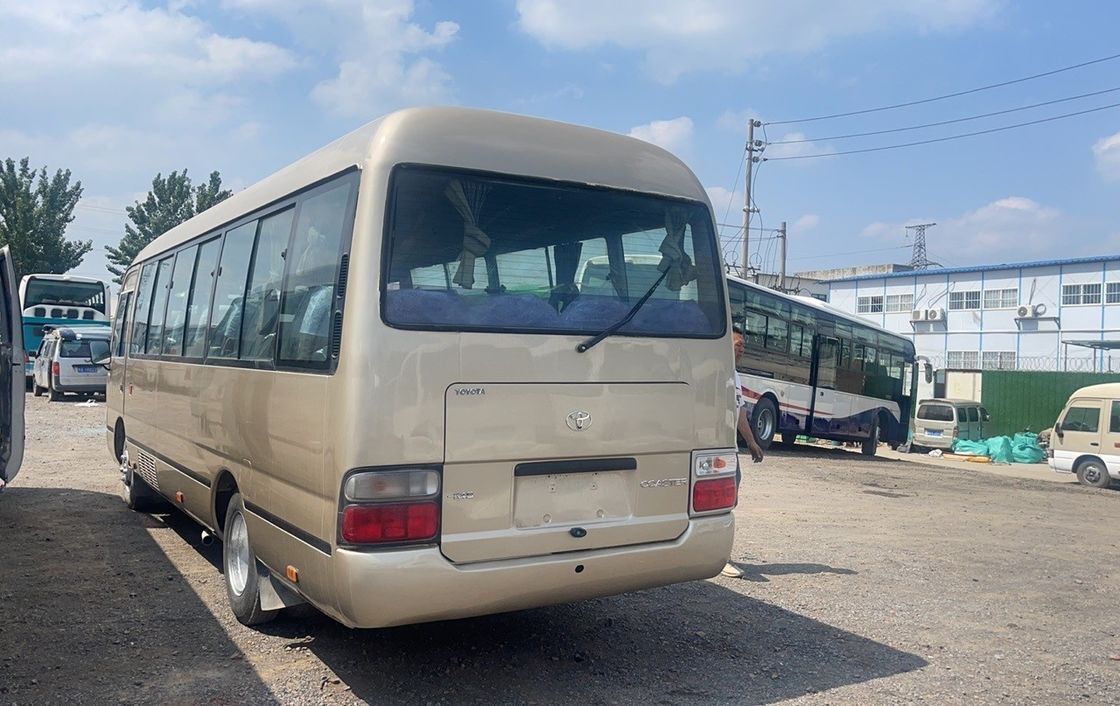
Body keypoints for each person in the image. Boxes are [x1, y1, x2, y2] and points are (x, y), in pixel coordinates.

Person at [722, 326, 763, 578]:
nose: (741, 349)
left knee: (730, 497)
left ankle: (718, 554)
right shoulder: (716, 372)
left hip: (729, 447)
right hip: (715, 446)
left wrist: (752, 442)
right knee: (723, 500)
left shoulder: (735, 376)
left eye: (743, 346)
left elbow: (740, 414)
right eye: (737, 344)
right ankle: (720, 557)